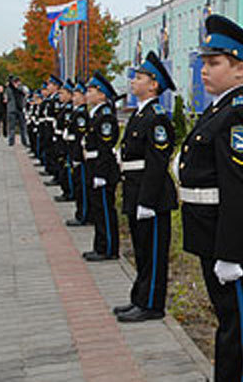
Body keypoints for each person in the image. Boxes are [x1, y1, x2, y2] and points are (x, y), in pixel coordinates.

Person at [178, 14, 243, 382]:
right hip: (213, 233)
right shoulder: (219, 110)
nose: (204, 70)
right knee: (228, 325)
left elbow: (237, 192)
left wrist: (229, 254)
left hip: (232, 239)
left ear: (240, 70)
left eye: (214, 63)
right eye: (204, 62)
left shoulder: (237, 117)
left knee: (241, 331)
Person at [114, 51, 178, 322]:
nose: (133, 82)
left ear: (153, 84)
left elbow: (157, 161)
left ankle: (152, 304)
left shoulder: (157, 117)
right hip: (135, 188)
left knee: (152, 253)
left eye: (139, 78)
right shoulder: (141, 114)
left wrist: (147, 201)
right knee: (141, 250)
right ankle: (139, 298)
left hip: (151, 195)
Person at [81, 71, 120, 262]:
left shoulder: (105, 117)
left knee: (105, 209)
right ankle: (100, 245)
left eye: (91, 90)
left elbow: (105, 147)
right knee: (98, 209)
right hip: (93, 166)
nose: (87, 94)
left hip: (102, 168)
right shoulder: (96, 114)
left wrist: (101, 174)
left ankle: (109, 248)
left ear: (102, 95)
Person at [65, 82, 91, 227]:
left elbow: (80, 137)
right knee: (79, 186)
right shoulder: (77, 112)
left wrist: (77, 156)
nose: (73, 98)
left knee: (82, 188)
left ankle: (83, 215)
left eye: (76, 95)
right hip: (75, 152)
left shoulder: (82, 113)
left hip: (80, 155)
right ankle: (81, 213)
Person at [7, 76, 29, 147]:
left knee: (23, 126)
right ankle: (11, 141)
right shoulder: (9, 89)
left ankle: (24, 141)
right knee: (12, 126)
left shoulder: (22, 88)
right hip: (12, 109)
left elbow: (26, 92)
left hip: (20, 108)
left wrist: (18, 87)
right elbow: (7, 96)